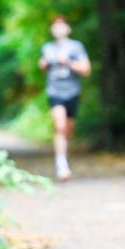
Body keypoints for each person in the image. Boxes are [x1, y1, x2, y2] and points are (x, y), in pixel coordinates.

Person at [39, 16, 91, 181]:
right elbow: (43, 67)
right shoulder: (47, 48)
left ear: (68, 29)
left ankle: (63, 154)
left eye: (61, 26)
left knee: (67, 130)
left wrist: (68, 62)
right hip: (55, 92)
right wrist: (44, 64)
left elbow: (86, 70)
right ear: (51, 30)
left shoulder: (76, 47)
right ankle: (61, 164)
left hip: (72, 92)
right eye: (55, 27)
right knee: (59, 126)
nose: (58, 30)